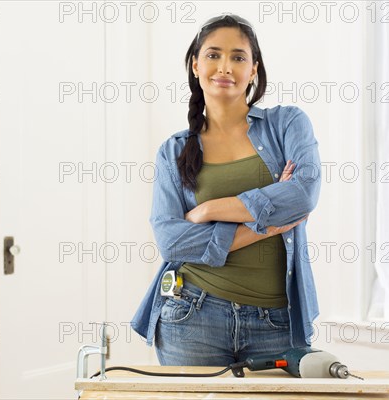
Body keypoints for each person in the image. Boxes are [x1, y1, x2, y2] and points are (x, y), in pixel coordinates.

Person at [131, 13, 322, 366]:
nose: (225, 67)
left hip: (278, 321)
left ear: (254, 70)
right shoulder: (173, 151)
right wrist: (265, 225)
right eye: (214, 55)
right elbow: (172, 241)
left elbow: (303, 195)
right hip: (192, 314)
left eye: (238, 57)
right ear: (195, 65)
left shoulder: (288, 124)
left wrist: (209, 210)